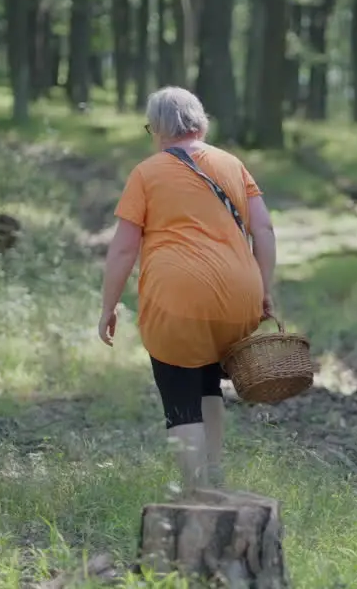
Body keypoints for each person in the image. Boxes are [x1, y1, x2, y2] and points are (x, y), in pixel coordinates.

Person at [97, 86, 277, 492]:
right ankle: (215, 478)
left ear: (158, 128)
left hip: (175, 296)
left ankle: (196, 492)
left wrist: (108, 307)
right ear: (200, 122)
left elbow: (125, 247)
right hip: (239, 294)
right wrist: (265, 290)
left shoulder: (146, 172)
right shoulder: (232, 164)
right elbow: (263, 229)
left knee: (181, 397)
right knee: (209, 382)